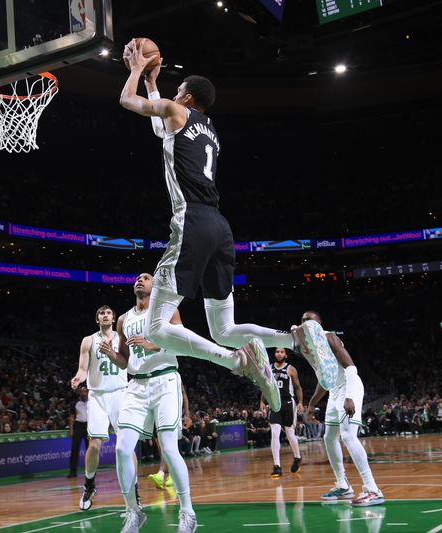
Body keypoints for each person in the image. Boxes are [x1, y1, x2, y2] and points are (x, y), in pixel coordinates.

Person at [119, 39, 338, 412]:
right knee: (224, 328)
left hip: (191, 221)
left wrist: (137, 69)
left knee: (156, 329)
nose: (172, 93)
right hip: (220, 228)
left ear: (186, 97)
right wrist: (155, 81)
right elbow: (161, 130)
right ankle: (296, 337)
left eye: (177, 89)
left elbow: (129, 102)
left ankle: (235, 361)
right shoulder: (208, 129)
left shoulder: (176, 110)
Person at [97, 272, 196, 533]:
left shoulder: (166, 309)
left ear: (155, 285)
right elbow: (126, 360)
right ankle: (133, 512)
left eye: (146, 278)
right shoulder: (122, 320)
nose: (140, 280)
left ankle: (187, 511)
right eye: (138, 278)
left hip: (164, 380)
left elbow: (183, 345)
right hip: (137, 384)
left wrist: (154, 346)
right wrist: (112, 355)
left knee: (168, 447)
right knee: (121, 449)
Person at [304, 310, 384, 507]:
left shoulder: (329, 337)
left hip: (350, 386)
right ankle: (343, 485)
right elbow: (325, 379)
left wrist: (349, 396)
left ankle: (373, 489)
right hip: (334, 391)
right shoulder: (310, 347)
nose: (307, 323)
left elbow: (350, 367)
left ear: (319, 324)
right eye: (303, 320)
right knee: (329, 437)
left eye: (310, 320)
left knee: (348, 436)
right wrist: (312, 404)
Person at [70, 305, 128, 511]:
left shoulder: (123, 338)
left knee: (126, 446)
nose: (105, 315)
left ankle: (134, 491)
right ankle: (89, 484)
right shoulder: (88, 340)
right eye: (101, 313)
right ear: (97, 319)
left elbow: (128, 363)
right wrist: (78, 378)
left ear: (113, 318)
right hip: (97, 396)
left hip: (120, 393)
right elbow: (83, 368)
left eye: (108, 313)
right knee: (94, 445)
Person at [261, 348, 304, 478]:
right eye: (277, 352)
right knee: (275, 433)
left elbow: (297, 387)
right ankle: (277, 466)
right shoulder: (268, 368)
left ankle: (297, 457)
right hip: (274, 403)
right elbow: (265, 385)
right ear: (274, 354)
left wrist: (300, 402)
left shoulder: (291, 369)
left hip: (288, 403)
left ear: (285, 355)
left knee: (290, 435)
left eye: (281, 352)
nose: (279, 354)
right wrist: (262, 401)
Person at [67, 387, 89, 478]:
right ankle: (73, 471)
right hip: (78, 426)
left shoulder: (92, 402)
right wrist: (71, 430)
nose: (83, 393)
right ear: (79, 393)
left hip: (89, 426)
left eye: (85, 391)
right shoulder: (74, 403)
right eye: (82, 392)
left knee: (90, 450)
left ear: (88, 392)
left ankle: (90, 471)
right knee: (75, 449)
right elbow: (71, 417)